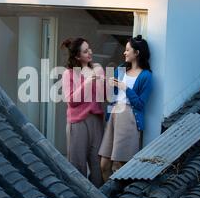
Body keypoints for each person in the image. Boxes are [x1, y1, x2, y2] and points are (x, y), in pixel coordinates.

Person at [98, 35, 153, 182]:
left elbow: (141, 104)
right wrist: (106, 84)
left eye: (127, 50)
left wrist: (125, 88)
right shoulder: (120, 70)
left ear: (137, 53)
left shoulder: (146, 76)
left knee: (119, 164)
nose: (124, 53)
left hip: (129, 118)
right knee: (104, 164)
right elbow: (110, 96)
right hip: (114, 115)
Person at [61, 37, 105, 187]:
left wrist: (99, 76)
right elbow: (72, 101)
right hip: (78, 122)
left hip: (96, 120)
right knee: (77, 163)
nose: (90, 52)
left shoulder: (96, 68)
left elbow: (104, 96)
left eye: (89, 48)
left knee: (97, 163)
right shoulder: (69, 74)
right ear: (77, 56)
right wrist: (87, 82)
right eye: (85, 51)